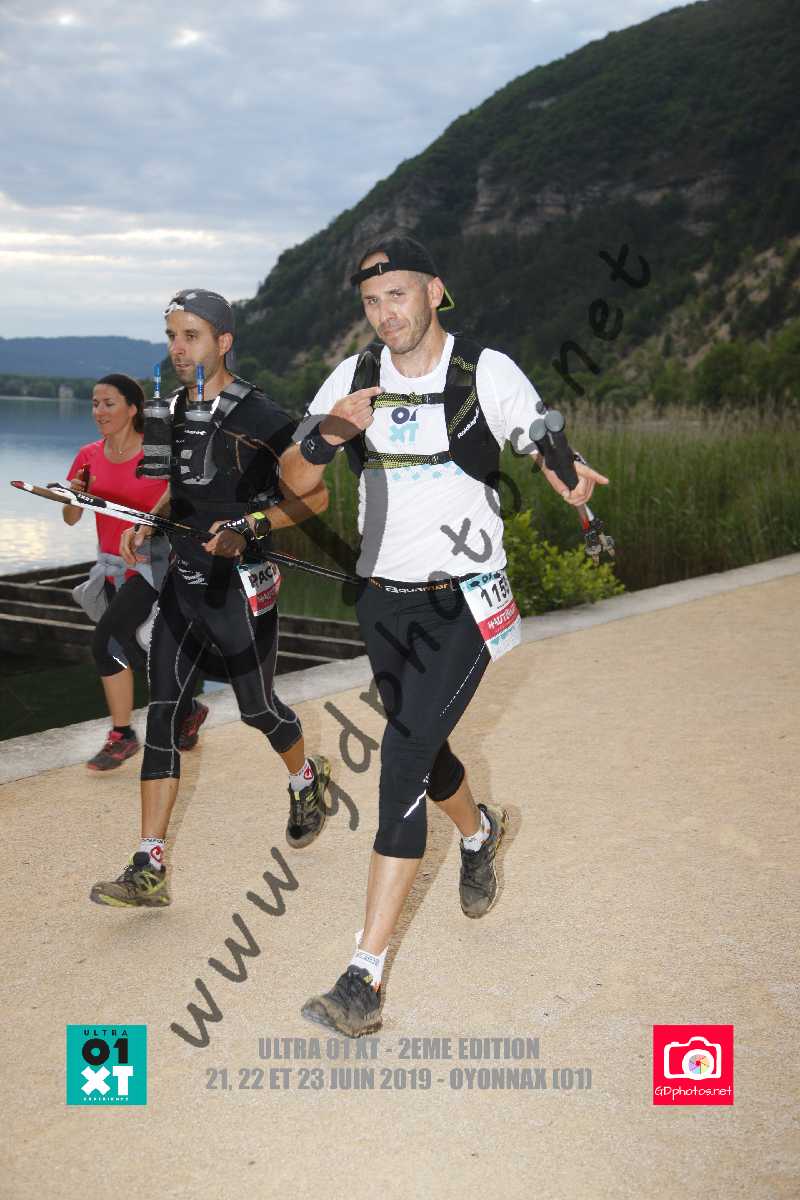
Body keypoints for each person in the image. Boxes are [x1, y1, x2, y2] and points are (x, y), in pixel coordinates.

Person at [280, 236, 608, 1035]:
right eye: (371, 302)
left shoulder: (484, 370)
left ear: (433, 291)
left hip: (463, 601)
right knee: (424, 750)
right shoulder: (355, 377)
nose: (385, 313)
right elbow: (294, 475)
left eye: (397, 295)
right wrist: (328, 434)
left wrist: (563, 469)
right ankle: (479, 831)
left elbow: (538, 434)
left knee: (401, 757)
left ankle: (363, 978)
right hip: (381, 602)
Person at [89, 289, 331, 909]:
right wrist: (152, 520)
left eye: (191, 336)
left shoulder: (263, 417)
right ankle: (149, 865)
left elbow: (315, 498)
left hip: (241, 587)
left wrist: (251, 526)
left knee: (257, 709)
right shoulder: (171, 410)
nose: (178, 348)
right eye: (171, 336)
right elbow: (181, 484)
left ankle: (306, 778)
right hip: (183, 584)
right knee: (163, 713)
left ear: (223, 342)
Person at [64, 373, 208, 770]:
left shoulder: (155, 453)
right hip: (111, 566)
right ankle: (189, 709)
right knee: (135, 649)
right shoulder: (88, 455)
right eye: (95, 404)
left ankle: (122, 735)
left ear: (132, 409)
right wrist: (75, 496)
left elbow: (183, 498)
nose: (99, 411)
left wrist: (152, 526)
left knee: (105, 642)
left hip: (152, 565)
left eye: (108, 403)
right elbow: (71, 518)